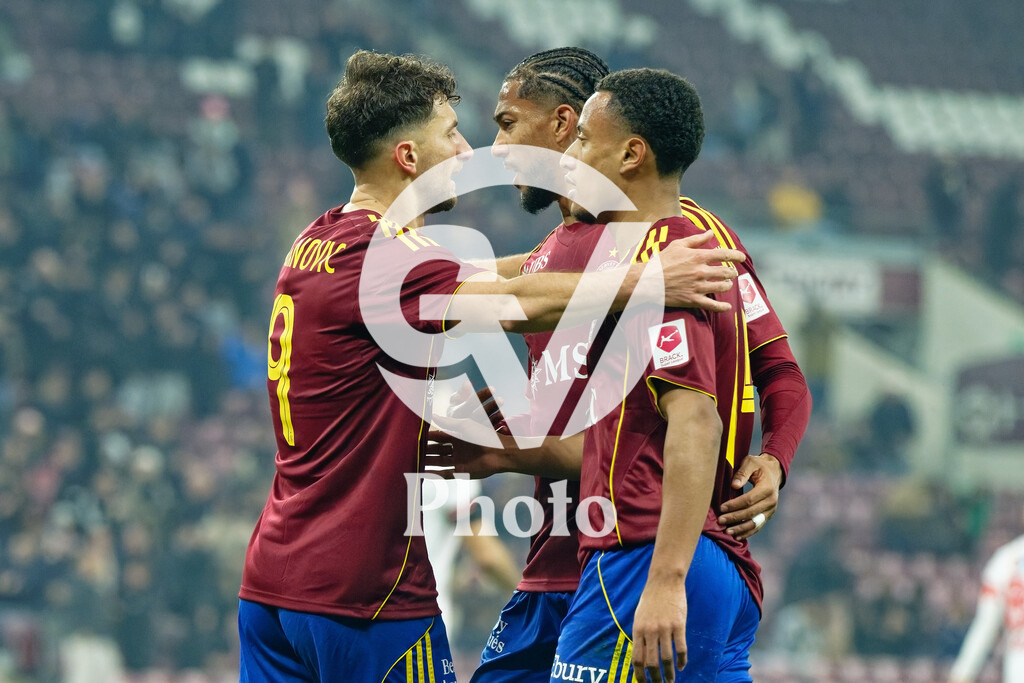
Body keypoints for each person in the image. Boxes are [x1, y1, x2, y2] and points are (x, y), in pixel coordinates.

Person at [236, 50, 748, 683]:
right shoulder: (389, 260)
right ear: (408, 158)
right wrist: (646, 278)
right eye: (451, 133)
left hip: (271, 587)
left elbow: (499, 275)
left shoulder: (322, 240)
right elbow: (512, 304)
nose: (469, 148)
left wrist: (569, 251)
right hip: (366, 591)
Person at [436, 49, 809, 682]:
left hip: (636, 546)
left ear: (563, 128)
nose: (494, 149)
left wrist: (774, 456)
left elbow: (763, 384)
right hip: (567, 552)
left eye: (507, 123)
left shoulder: (687, 249)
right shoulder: (564, 249)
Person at [949, 503, 1024, 682]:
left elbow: (984, 628)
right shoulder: (1006, 560)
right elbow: (984, 627)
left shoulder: (1006, 558)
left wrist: (962, 674)